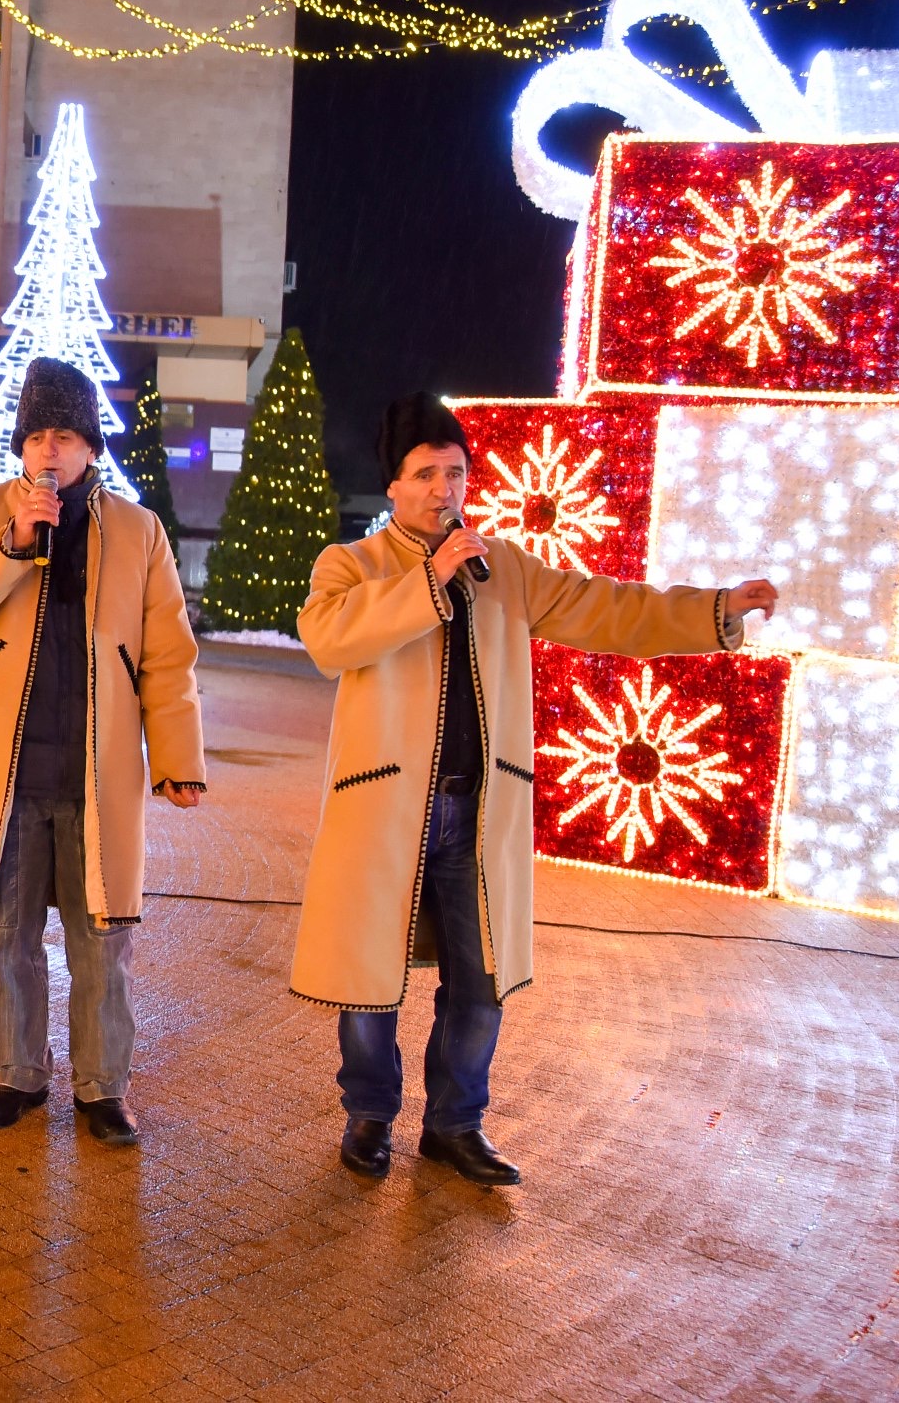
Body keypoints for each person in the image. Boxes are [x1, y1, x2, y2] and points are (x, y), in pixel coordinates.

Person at [294, 393, 780, 1185]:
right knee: (367, 977)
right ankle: (370, 1117)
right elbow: (330, 640)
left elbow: (609, 609)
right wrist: (429, 577)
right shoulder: (350, 566)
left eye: (455, 472)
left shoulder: (506, 571)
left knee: (481, 980)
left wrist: (717, 611)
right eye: (424, 474)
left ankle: (454, 1125)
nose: (443, 488)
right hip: (385, 812)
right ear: (393, 486)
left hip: (478, 812)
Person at [0, 359, 206, 1147]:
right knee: (7, 935)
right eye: (36, 434)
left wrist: (178, 758)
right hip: (3, 775)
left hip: (94, 774)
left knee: (102, 940)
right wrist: (12, 543)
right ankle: (18, 1076)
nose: (49, 449)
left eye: (64, 434)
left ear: (89, 447)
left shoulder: (137, 532)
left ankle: (103, 1088)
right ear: (20, 445)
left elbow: (168, 655)